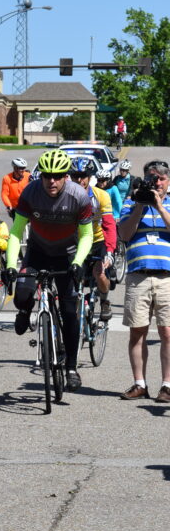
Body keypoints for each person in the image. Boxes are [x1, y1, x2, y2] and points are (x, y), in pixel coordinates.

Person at [2, 149, 93, 392]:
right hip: (38, 252)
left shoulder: (79, 196)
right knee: (22, 292)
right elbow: (16, 232)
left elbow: (87, 235)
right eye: (46, 175)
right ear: (40, 176)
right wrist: (11, 265)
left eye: (57, 175)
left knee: (69, 312)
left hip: (68, 255)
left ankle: (71, 367)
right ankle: (24, 311)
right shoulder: (30, 193)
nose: (51, 181)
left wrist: (78, 263)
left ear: (66, 176)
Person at [117, 162, 170, 401]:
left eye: (160, 179)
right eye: (151, 179)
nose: (156, 183)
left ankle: (167, 386)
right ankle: (140, 384)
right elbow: (124, 235)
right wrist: (140, 206)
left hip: (167, 277)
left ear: (167, 180)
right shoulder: (131, 202)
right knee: (137, 332)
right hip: (138, 276)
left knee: (167, 332)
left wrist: (159, 206)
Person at [69, 157, 116, 322]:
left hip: (97, 240)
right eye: (75, 176)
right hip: (76, 241)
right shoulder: (65, 195)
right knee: (73, 277)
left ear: (90, 177)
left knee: (100, 273)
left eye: (83, 176)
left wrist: (110, 250)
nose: (79, 180)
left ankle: (104, 301)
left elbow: (109, 224)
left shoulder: (101, 196)